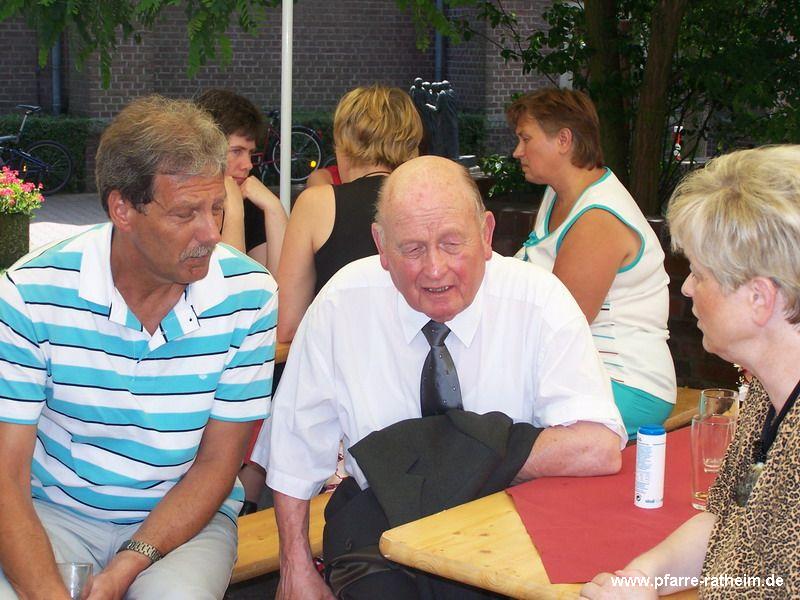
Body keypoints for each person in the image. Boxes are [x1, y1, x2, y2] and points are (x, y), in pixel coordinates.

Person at [259, 155, 626, 599]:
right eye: (412, 249)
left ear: (486, 235)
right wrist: (295, 566)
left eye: (452, 243)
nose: (435, 269)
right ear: (381, 246)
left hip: (505, 518)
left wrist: (455, 456)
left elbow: (597, 446)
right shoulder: (342, 303)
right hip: (379, 524)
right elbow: (293, 450)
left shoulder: (539, 301)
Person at [0, 95, 277, 599]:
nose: (211, 233)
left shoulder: (249, 296)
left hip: (185, 521)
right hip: (52, 512)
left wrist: (125, 568)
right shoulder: (30, 293)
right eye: (186, 213)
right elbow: (6, 478)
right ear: (122, 209)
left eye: (217, 207)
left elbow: (217, 466)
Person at [581, 145, 800, 599]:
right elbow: (726, 523)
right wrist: (645, 577)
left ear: (759, 299)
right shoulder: (767, 394)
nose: (686, 288)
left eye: (699, 274)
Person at [509, 88, 675, 438]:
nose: (517, 151)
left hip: (624, 383)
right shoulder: (558, 194)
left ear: (564, 140)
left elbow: (560, 324)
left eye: (526, 139)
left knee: (490, 414)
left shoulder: (598, 218)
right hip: (580, 372)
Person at [276, 84, 423, 342]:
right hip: (421, 358)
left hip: (345, 360)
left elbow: (288, 325)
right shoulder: (430, 203)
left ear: (344, 143)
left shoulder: (317, 204)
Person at [196, 88, 288, 274]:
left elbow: (276, 284)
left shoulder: (251, 200)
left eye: (250, 153)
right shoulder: (187, 208)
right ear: (205, 149)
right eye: (236, 151)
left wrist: (274, 208)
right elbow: (230, 282)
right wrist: (234, 210)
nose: (248, 165)